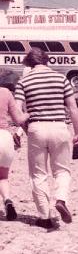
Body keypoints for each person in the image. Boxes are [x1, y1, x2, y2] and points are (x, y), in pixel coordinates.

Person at [14, 48, 78, 229]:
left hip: (36, 127)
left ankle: (44, 216)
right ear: (47, 61)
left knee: (38, 173)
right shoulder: (61, 78)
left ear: (29, 63)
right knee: (62, 170)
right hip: (59, 126)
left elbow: (18, 111)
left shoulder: (24, 81)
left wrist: (24, 128)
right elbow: (73, 108)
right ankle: (61, 199)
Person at [0, 86, 29, 220]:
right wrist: (28, 114)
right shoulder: (5, 92)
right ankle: (7, 200)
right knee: (3, 177)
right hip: (4, 138)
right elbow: (18, 119)